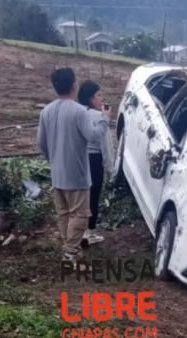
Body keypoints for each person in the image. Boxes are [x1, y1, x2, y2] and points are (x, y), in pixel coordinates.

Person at [37, 68, 111, 261]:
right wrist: (105, 120)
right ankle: (70, 253)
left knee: (64, 214)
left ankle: (69, 247)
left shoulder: (46, 111)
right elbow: (93, 135)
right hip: (77, 173)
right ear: (74, 85)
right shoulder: (79, 112)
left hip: (57, 172)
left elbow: (41, 143)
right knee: (80, 214)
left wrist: (52, 160)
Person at [77, 80, 115, 245]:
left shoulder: (79, 114)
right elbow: (106, 146)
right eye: (99, 95)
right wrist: (110, 168)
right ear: (91, 99)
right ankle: (89, 233)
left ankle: (78, 231)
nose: (102, 98)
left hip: (79, 159)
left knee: (80, 197)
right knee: (93, 197)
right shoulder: (100, 117)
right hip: (94, 160)